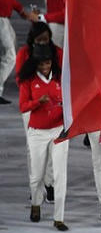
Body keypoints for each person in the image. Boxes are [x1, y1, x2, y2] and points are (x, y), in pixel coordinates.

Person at [18, 43, 69, 231]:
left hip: (58, 131)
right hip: (37, 132)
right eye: (41, 64)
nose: (45, 67)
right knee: (37, 175)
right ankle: (36, 204)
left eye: (47, 63)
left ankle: (59, 218)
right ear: (35, 64)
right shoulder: (28, 81)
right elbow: (23, 106)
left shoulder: (60, 78)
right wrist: (37, 102)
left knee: (60, 174)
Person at [16, 23, 62, 203]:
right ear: (32, 39)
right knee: (32, 149)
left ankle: (49, 184)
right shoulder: (24, 54)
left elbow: (64, 76)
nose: (43, 42)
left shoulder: (57, 53)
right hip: (32, 106)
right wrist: (34, 98)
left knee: (53, 148)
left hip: (53, 106)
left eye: (46, 38)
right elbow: (20, 80)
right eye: (39, 39)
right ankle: (35, 186)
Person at [1, 0, 27, 104]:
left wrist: (20, 10)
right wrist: (22, 11)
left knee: (13, 49)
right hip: (1, 17)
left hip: (5, 17)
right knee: (10, 54)